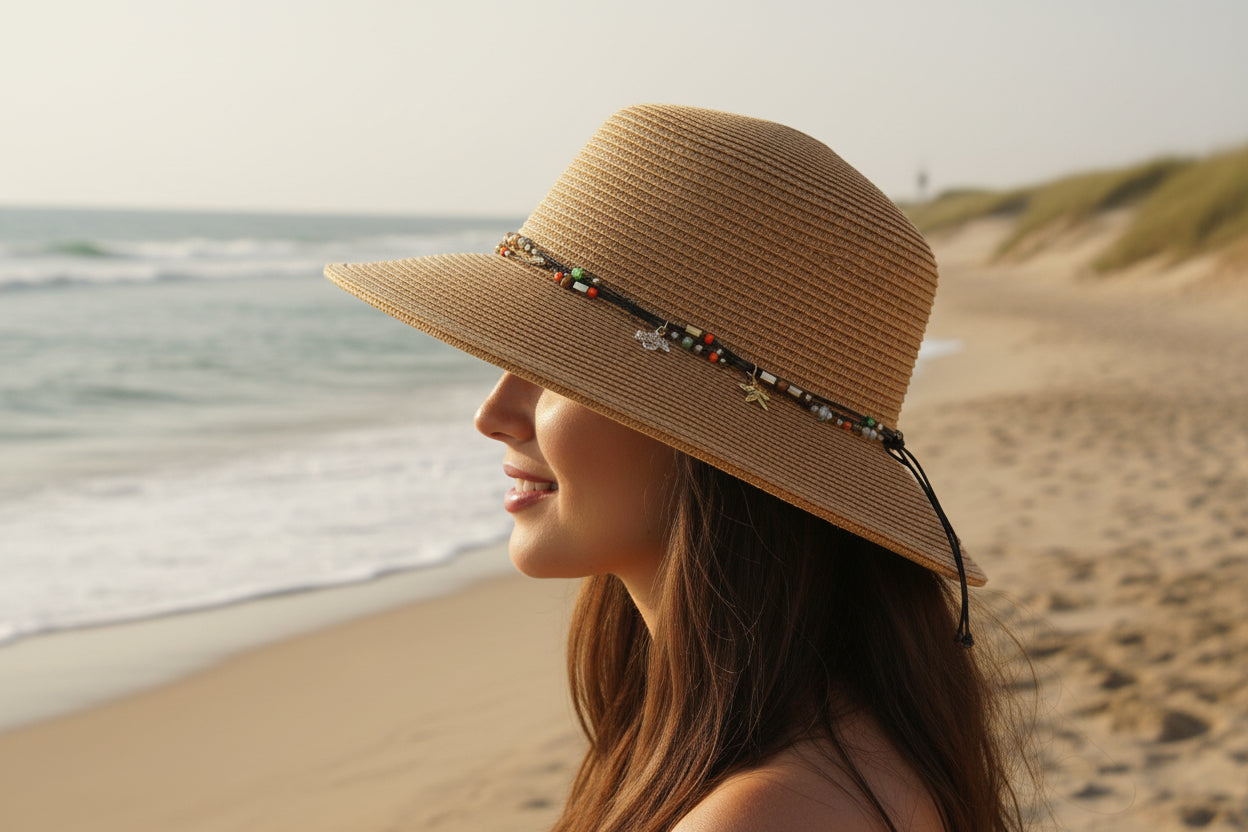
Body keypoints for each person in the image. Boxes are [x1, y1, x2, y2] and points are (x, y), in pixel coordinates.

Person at [326, 104, 1032, 831]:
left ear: (704, 436)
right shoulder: (801, 736)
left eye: (557, 369)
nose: (495, 414)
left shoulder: (769, 810)